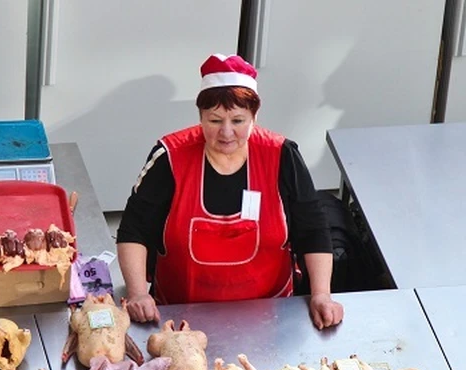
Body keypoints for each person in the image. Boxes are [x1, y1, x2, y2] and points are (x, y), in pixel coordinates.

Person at [117, 54, 344, 330]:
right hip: (178, 318)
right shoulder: (170, 158)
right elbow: (134, 229)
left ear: (254, 117)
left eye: (238, 121)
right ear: (200, 116)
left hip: (271, 317)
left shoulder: (282, 156)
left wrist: (321, 294)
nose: (226, 133)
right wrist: (138, 293)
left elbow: (313, 230)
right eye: (214, 120)